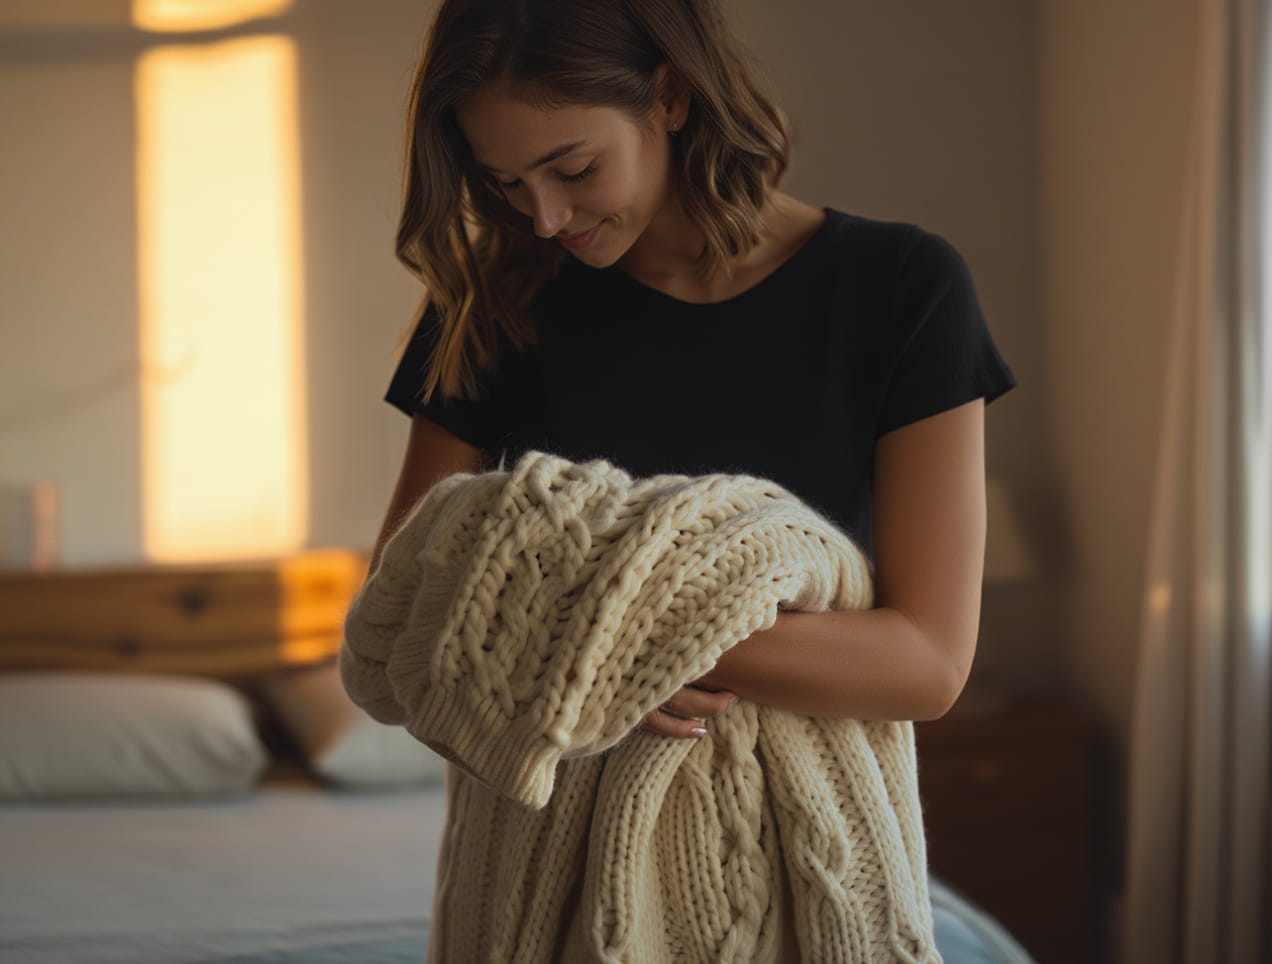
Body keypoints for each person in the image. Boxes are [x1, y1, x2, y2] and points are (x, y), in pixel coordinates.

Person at [370, 0, 1014, 954]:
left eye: (573, 167)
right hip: (548, 883)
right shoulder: (494, 300)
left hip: (809, 865)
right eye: (505, 182)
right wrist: (620, 642)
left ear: (669, 96)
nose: (543, 216)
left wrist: (631, 640)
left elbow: (926, 663)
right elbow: (401, 613)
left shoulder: (902, 289)